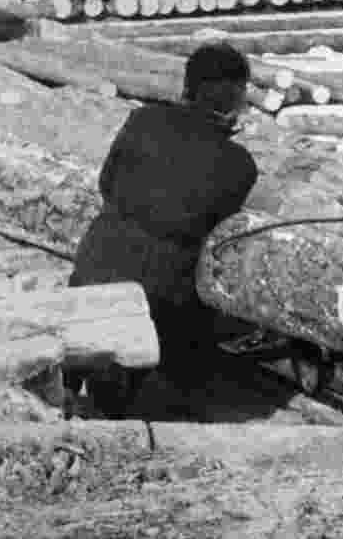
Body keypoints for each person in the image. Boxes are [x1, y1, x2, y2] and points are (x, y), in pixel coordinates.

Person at [67, 42, 259, 416]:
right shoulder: (239, 166)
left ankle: (75, 384)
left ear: (188, 86)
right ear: (236, 96)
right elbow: (209, 230)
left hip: (94, 263)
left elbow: (107, 184)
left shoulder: (143, 121)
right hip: (158, 294)